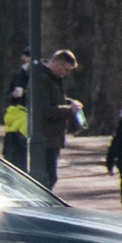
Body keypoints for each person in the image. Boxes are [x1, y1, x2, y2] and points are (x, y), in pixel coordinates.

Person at [27, 49, 83, 189]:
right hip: (45, 136)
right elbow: (44, 109)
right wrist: (69, 110)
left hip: (53, 136)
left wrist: (69, 102)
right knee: (47, 178)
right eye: (66, 69)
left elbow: (55, 100)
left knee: (51, 176)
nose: (67, 74)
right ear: (58, 64)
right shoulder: (42, 79)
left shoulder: (53, 79)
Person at [0, 88, 30, 170]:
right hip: (20, 151)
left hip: (9, 147)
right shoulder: (24, 116)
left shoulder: (10, 114)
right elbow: (26, 135)